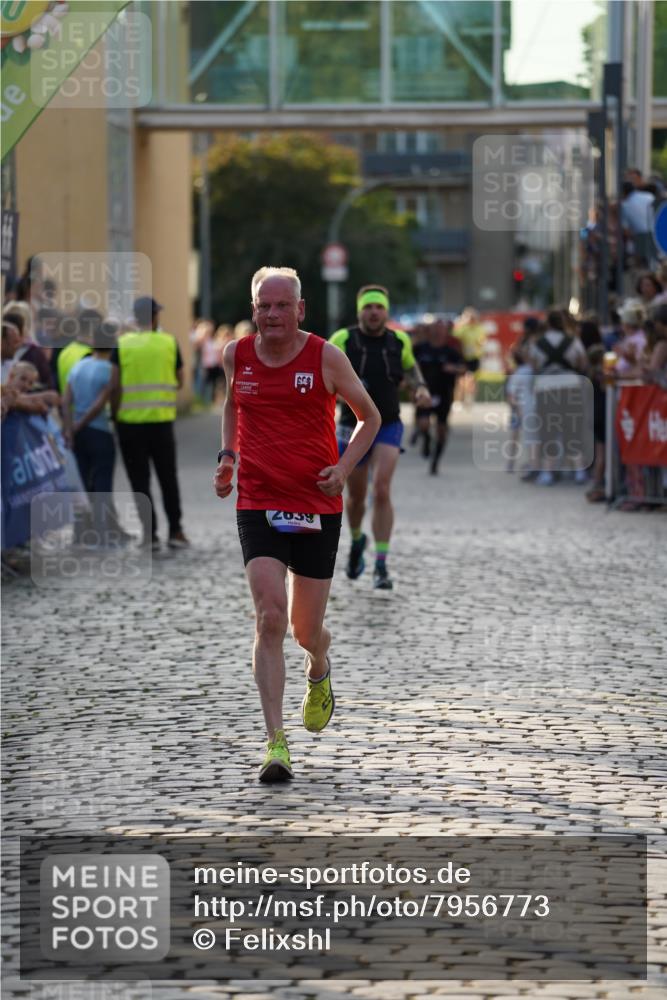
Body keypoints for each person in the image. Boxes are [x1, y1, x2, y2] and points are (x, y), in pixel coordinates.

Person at [214, 266, 380, 783]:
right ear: (254, 308)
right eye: (264, 305)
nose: (272, 315)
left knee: (305, 630)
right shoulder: (235, 355)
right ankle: (275, 743)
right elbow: (231, 407)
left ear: (300, 310)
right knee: (268, 618)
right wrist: (227, 457)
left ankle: (320, 664)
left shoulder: (325, 357)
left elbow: (369, 417)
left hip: (316, 503)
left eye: (282, 306)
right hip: (259, 500)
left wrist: (344, 468)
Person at [329, 285, 430, 590]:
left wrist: (420, 389)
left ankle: (381, 566)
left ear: (386, 312)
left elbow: (412, 371)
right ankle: (358, 539)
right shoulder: (342, 340)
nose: (374, 312)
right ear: (359, 311)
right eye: (368, 307)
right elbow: (324, 374)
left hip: (388, 423)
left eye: (379, 307)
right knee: (356, 497)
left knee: (382, 489)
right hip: (351, 426)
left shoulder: (398, 341)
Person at [110, 296, 189, 551]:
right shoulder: (168, 343)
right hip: (161, 423)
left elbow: (114, 385)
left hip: (129, 424)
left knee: (139, 480)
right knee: (168, 477)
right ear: (155, 317)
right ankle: (176, 531)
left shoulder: (121, 344)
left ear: (135, 318)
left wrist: (115, 413)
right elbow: (179, 380)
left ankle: (150, 535)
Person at [63, 317, 120, 544]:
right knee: (102, 482)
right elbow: (101, 403)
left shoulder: (78, 366)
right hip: (100, 432)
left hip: (78, 435)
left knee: (81, 482)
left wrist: (69, 428)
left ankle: (81, 533)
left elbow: (65, 400)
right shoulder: (110, 370)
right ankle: (102, 532)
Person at [414, 320, 466, 475]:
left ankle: (435, 461)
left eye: (441, 329)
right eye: (435, 329)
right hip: (425, 392)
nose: (438, 332)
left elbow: (463, 368)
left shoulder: (451, 351)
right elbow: (410, 366)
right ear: (430, 331)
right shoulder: (420, 349)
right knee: (423, 424)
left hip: (444, 394)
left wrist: (454, 368)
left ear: (446, 332)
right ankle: (426, 440)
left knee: (442, 430)